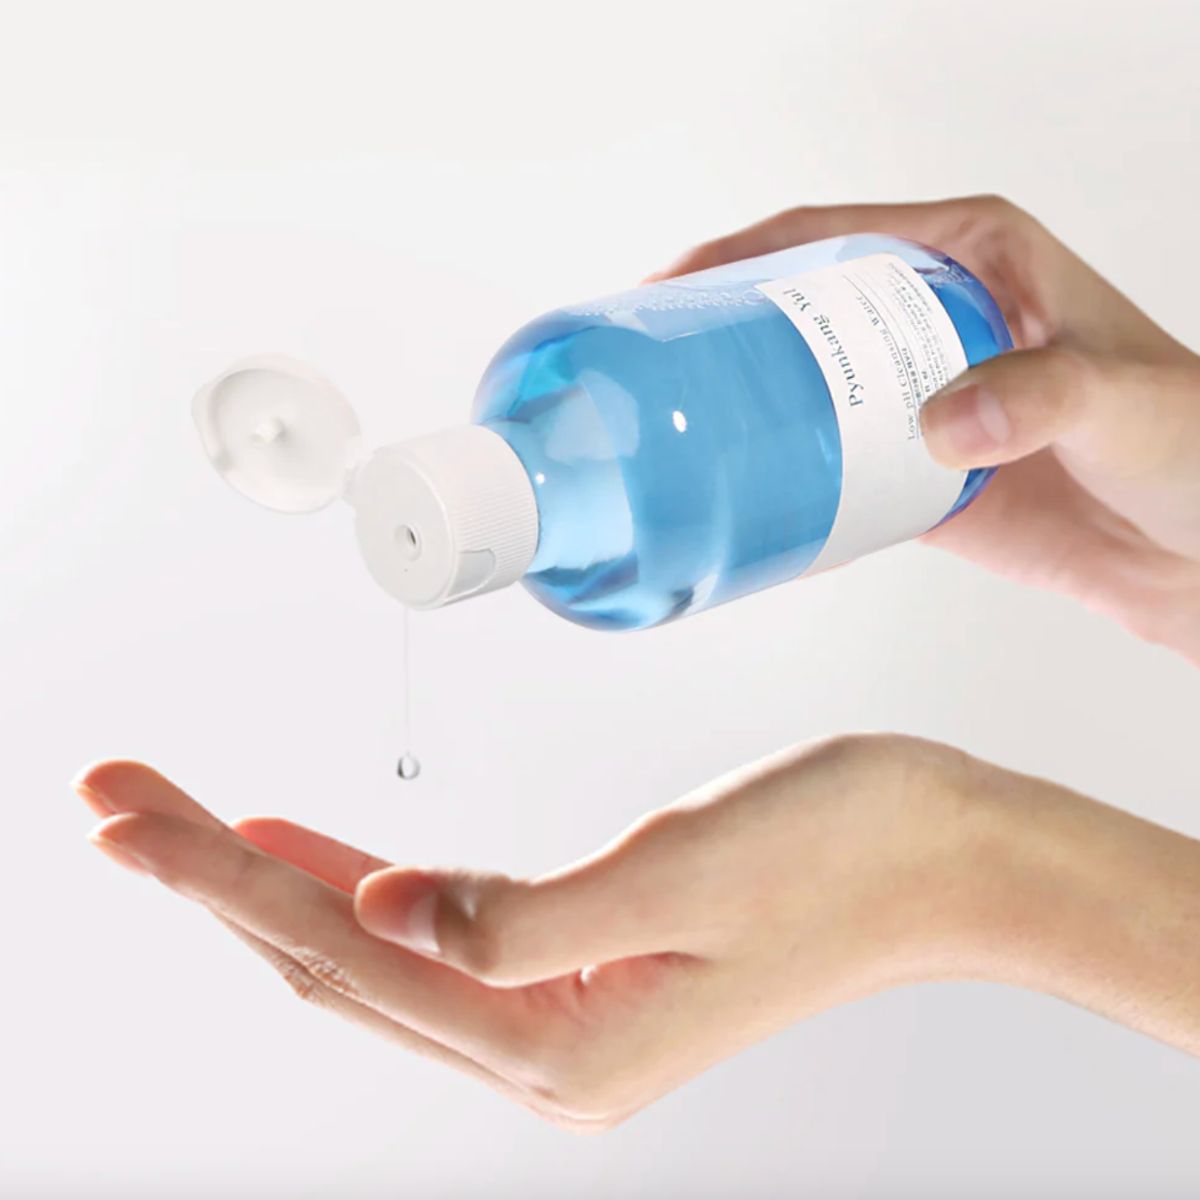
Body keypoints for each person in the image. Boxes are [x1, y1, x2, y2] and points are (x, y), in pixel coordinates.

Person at [76, 196, 1200, 1133]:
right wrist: (1156, 570)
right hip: (944, 348)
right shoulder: (597, 553)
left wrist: (967, 871)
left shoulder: (571, 444)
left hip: (918, 321)